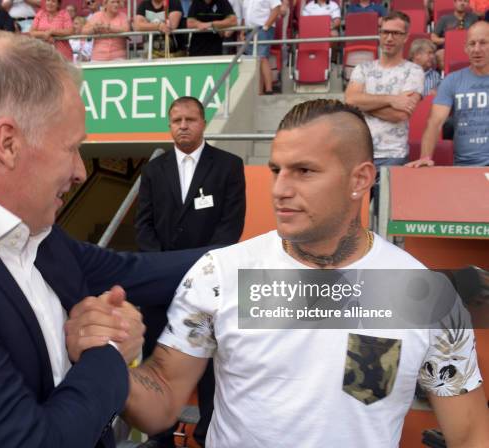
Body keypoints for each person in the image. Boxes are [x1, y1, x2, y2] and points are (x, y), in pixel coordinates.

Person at [0, 32, 201, 448]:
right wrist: (106, 348)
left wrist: (263, 255)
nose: (81, 171)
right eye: (72, 149)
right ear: (8, 143)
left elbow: (134, 271)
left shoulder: (31, 232)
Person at [122, 99, 489, 447]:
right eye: (276, 170)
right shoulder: (219, 275)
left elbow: (471, 433)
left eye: (304, 171)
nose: (280, 189)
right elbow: (164, 396)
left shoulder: (423, 293)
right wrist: (106, 358)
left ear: (360, 180)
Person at [135, 96, 246, 447]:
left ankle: (207, 434)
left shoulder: (228, 165)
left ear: (203, 123)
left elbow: (230, 228)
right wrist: (166, 270)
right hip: (161, 289)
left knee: (210, 371)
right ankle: (160, 435)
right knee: (158, 363)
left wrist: (196, 273)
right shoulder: (153, 169)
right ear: (169, 125)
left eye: (190, 119)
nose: (183, 125)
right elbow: (143, 227)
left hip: (210, 288)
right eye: (176, 120)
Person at [345, 11, 424, 170]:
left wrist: (363, 105)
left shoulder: (414, 71)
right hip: (360, 153)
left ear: (406, 37)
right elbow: (350, 101)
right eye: (385, 32)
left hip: (393, 155)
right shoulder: (363, 68)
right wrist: (391, 100)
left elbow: (399, 114)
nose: (389, 38)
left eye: (396, 33)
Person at [407, 21, 489, 167]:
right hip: (466, 166)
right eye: (472, 44)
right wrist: (425, 156)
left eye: (483, 43)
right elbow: (435, 122)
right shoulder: (451, 81)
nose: (477, 49)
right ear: (465, 48)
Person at [241, 0, 281, 95]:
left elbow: (276, 9)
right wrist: (242, 31)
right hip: (249, 30)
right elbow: (245, 16)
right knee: (255, 61)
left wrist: (266, 26)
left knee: (262, 57)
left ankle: (268, 89)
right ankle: (259, 91)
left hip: (262, 29)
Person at [431, 0, 478, 70]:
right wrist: (449, 40)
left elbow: (478, 34)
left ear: (468, 4)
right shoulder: (444, 19)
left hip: (469, 47)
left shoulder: (473, 18)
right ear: (454, 3)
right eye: (460, 1)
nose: (462, 3)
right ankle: (448, 76)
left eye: (465, 1)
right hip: (448, 48)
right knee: (439, 54)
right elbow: (433, 38)